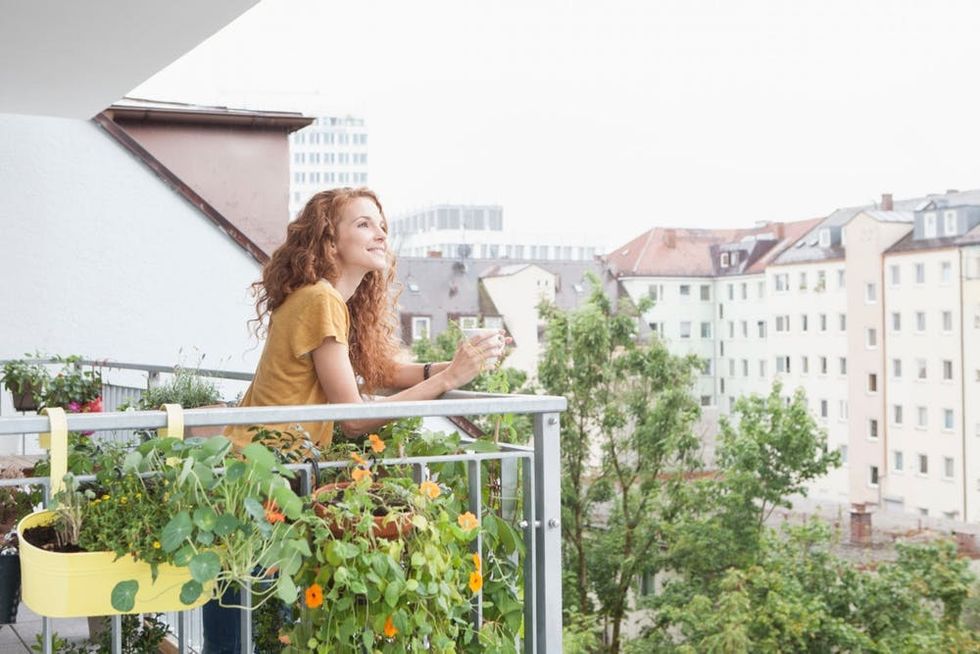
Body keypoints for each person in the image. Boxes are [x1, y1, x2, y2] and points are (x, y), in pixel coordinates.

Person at [203, 187, 503, 653]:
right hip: (261, 481)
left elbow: (380, 374)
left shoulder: (327, 300)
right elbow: (354, 420)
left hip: (260, 473)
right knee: (248, 635)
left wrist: (455, 364)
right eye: (363, 224)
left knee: (249, 629)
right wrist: (448, 382)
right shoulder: (321, 300)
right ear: (329, 239)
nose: (380, 233)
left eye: (381, 225)